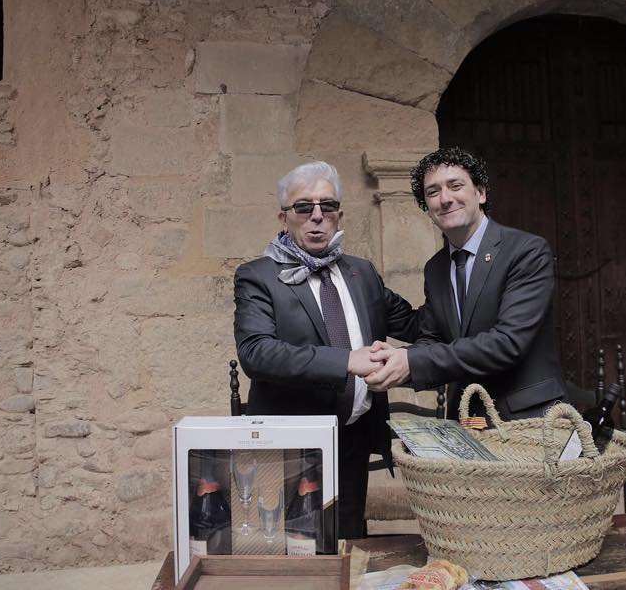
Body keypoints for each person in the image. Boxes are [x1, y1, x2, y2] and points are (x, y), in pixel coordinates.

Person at [232, 161, 417, 539]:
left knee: (348, 542)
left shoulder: (361, 272)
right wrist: (346, 360)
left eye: (327, 206)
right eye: (303, 207)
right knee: (295, 551)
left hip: (353, 437)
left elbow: (417, 324)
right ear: (284, 217)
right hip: (292, 443)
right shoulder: (259, 276)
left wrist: (455, 276)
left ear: (339, 215)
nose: (317, 216)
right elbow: (256, 352)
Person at [365, 146, 566, 421]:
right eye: (433, 192)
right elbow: (434, 337)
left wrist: (411, 361)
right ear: (427, 208)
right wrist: (394, 361)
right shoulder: (435, 268)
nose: (445, 199)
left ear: (480, 193)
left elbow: (508, 343)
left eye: (455, 185)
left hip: (531, 422)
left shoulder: (526, 251)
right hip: (470, 422)